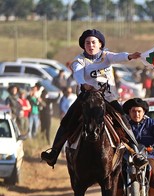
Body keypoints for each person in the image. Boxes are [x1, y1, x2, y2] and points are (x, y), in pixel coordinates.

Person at [41, 29, 141, 167]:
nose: (91, 45)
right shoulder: (79, 60)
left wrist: (130, 56)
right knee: (67, 121)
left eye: (94, 42)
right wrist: (83, 84)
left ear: (100, 44)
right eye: (87, 43)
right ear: (83, 45)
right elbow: (77, 72)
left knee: (124, 120)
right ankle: (54, 153)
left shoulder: (106, 56)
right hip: (87, 99)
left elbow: (118, 57)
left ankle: (136, 153)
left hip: (108, 98)